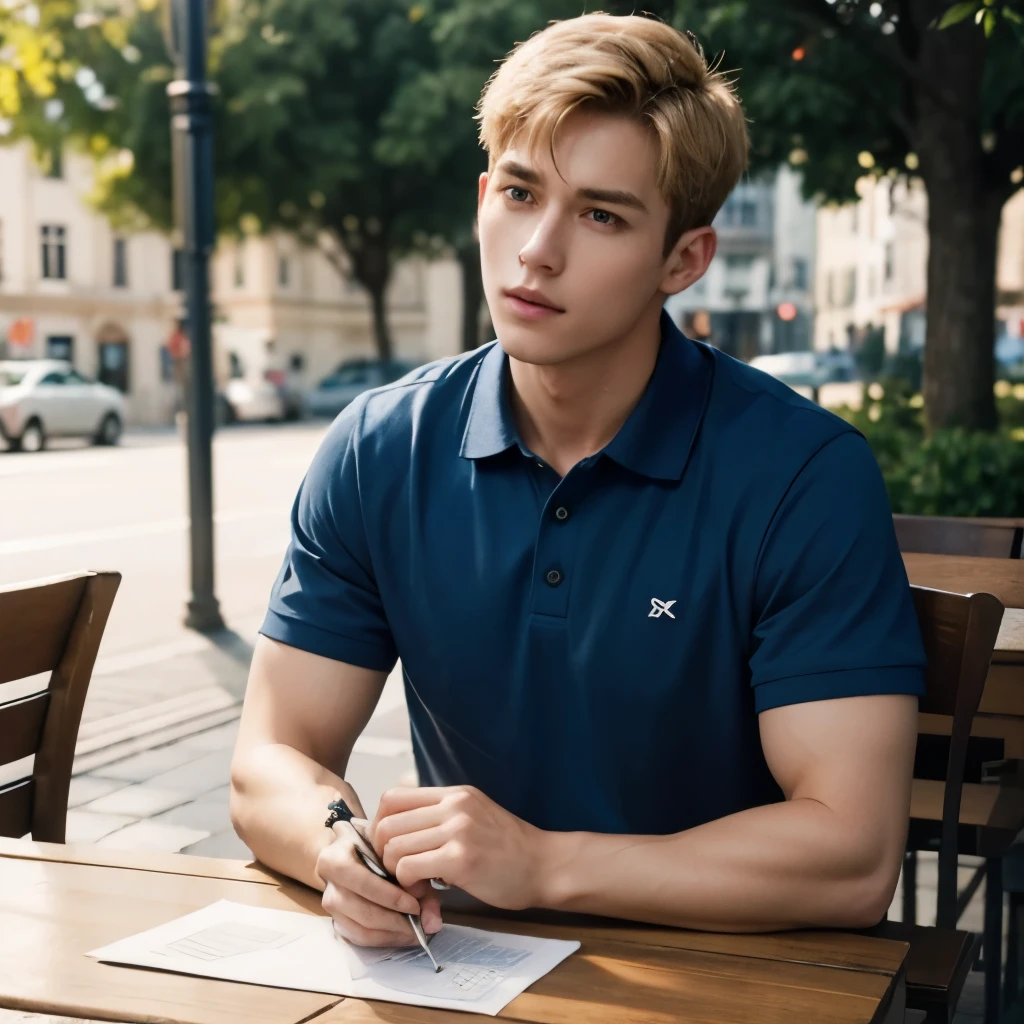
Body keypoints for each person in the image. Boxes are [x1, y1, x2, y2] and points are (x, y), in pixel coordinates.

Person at [229, 12, 925, 947]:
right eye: (519, 192)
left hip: (734, 970)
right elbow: (270, 758)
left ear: (683, 259)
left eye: (600, 214)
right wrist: (336, 850)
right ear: (483, 195)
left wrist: (545, 862)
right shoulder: (377, 449)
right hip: (465, 965)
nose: (536, 250)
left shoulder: (804, 476)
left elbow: (850, 853)